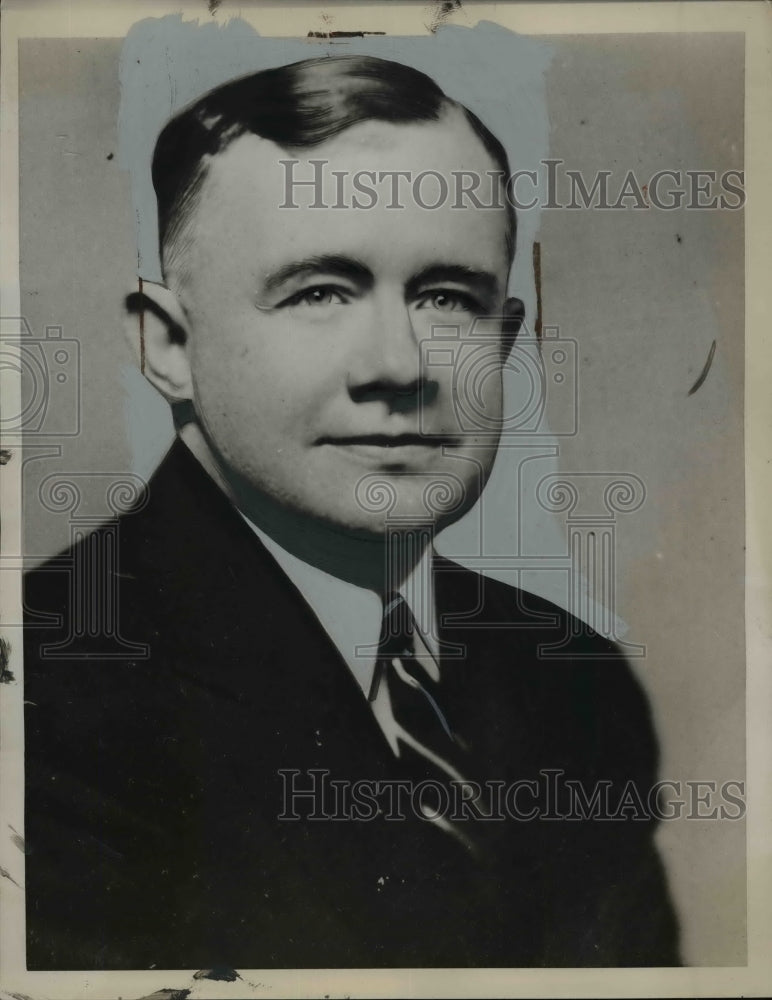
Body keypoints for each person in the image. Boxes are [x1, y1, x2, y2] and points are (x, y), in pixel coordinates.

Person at [23, 55, 680, 970]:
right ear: (168, 345)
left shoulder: (577, 685)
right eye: (319, 293)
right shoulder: (42, 687)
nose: (399, 366)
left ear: (507, 337)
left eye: (448, 297)